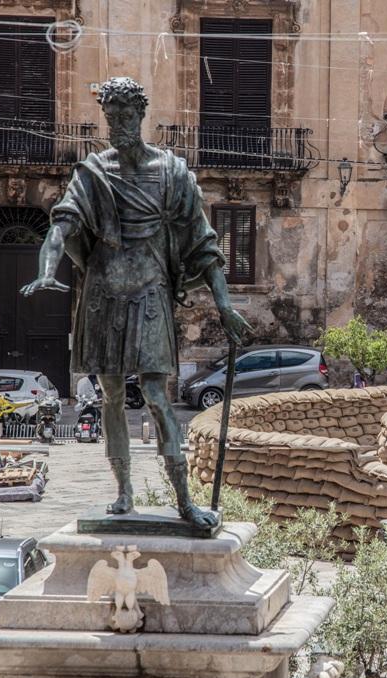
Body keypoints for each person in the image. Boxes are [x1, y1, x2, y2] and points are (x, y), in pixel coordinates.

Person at [21, 76, 250, 529]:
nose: (119, 123)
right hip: (103, 296)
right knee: (109, 397)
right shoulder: (92, 173)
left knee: (156, 397)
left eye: (127, 115)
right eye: (113, 116)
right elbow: (60, 228)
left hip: (150, 296)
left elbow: (204, 244)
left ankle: (185, 501)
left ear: (141, 116)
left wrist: (223, 304)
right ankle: (123, 493)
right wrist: (46, 271)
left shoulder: (171, 173)